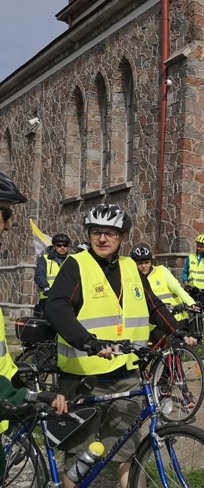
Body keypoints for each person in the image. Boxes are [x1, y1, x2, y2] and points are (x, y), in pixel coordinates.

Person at [44, 204, 195, 488]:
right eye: (96, 232)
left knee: (129, 448)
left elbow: (152, 304)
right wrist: (87, 341)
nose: (103, 238)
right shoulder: (76, 264)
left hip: (126, 374)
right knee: (80, 454)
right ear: (88, 235)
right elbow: (56, 307)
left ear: (122, 237)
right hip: (84, 377)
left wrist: (179, 330)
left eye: (110, 233)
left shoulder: (129, 267)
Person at [0, 172, 68, 475]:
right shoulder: (46, 259)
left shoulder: (70, 259)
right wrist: (22, 396)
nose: (7, 223)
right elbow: (41, 278)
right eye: (4, 213)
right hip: (46, 303)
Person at [130, 245, 199, 343]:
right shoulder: (133, 279)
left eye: (147, 262)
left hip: (176, 318)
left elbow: (176, 287)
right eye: (140, 263)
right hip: (153, 324)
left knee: (176, 351)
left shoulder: (161, 271)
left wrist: (191, 302)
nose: (144, 266)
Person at [34, 233, 71, 316]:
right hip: (48, 297)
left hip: (67, 297)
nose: (62, 247)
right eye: (59, 245)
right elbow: (40, 275)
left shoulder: (72, 259)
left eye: (65, 245)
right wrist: (45, 287)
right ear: (54, 246)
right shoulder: (45, 259)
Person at [182, 234, 204, 316]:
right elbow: (185, 272)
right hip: (194, 292)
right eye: (197, 246)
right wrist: (186, 284)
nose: (198, 248)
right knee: (196, 317)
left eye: (201, 247)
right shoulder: (191, 257)